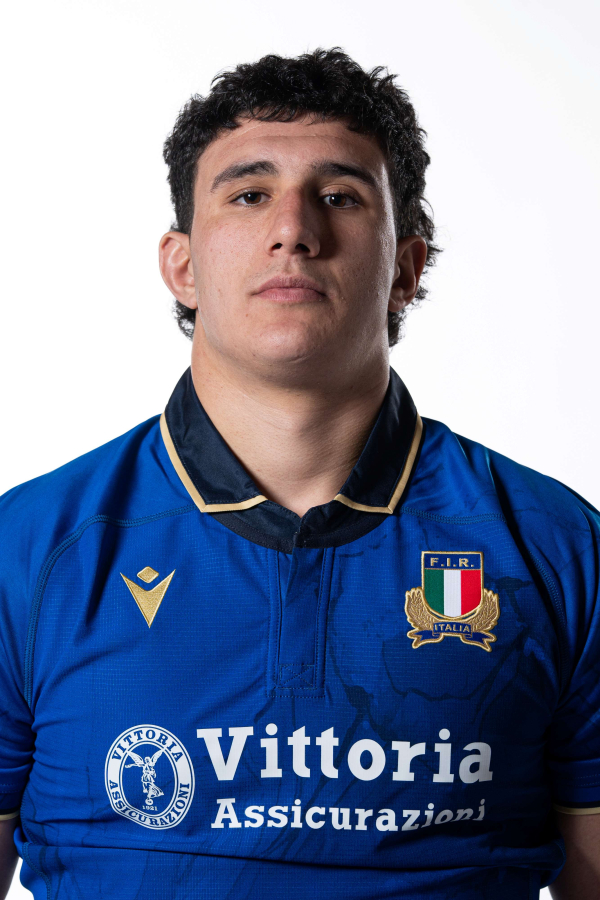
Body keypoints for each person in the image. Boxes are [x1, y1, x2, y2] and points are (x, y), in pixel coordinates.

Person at [0, 47, 598, 900]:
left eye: (340, 196)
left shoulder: (558, 548)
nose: (294, 230)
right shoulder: (30, 552)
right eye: (249, 195)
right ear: (182, 265)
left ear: (407, 268)